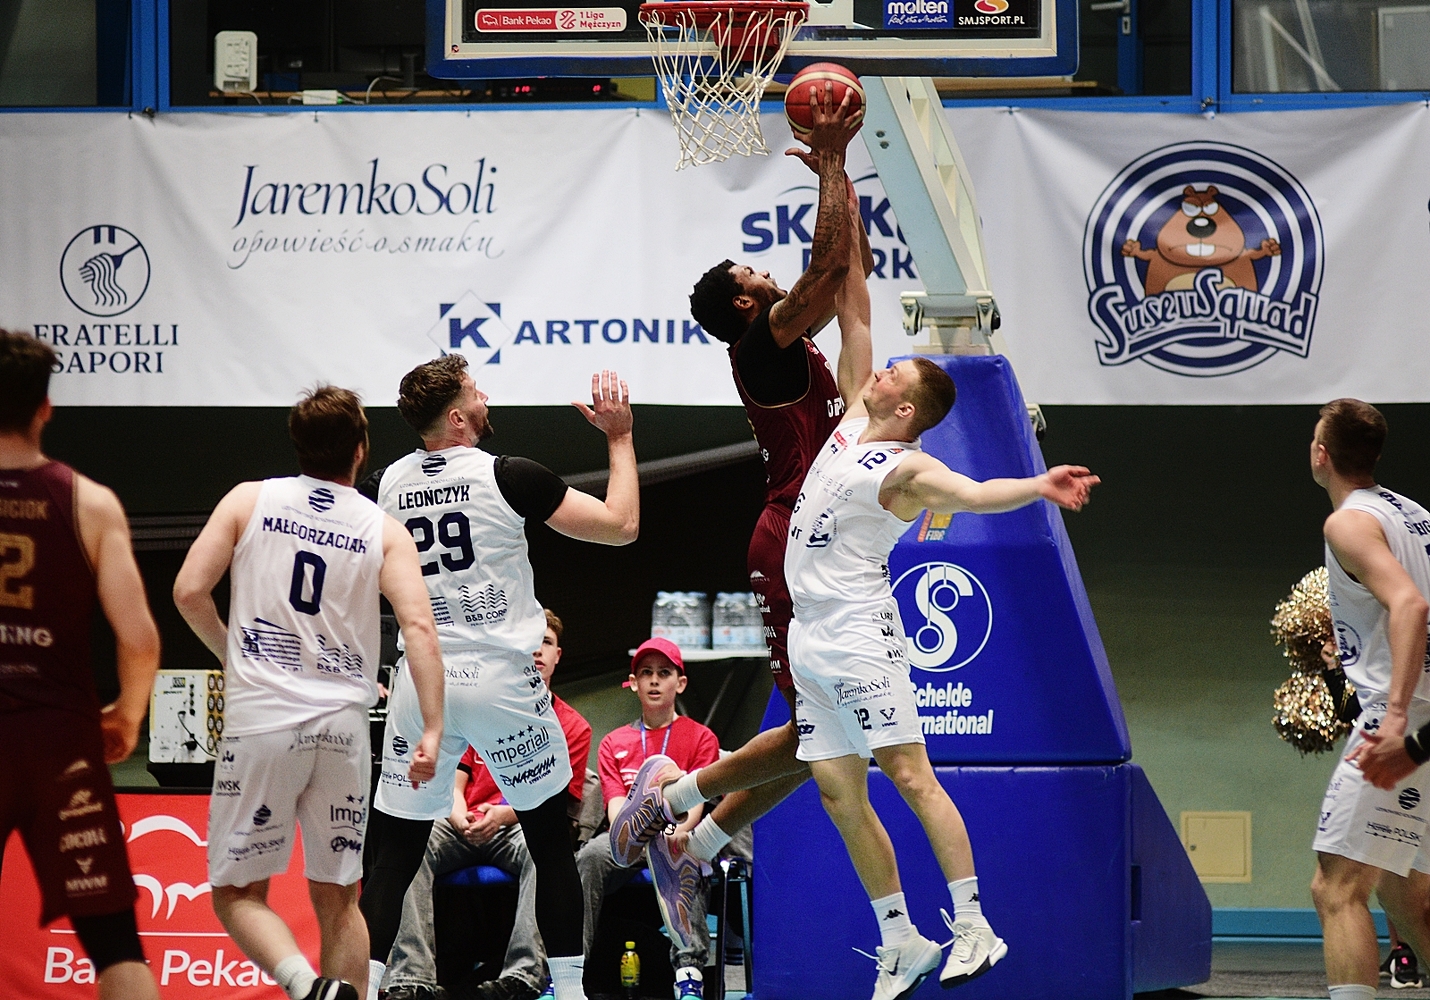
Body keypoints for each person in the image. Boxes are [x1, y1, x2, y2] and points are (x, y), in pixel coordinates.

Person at [611, 79, 873, 920]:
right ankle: (670, 803)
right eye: (756, 271)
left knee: (827, 737)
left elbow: (845, 276)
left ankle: (690, 840)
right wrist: (828, 166)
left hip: (820, 538)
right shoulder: (761, 345)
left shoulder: (787, 346)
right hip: (792, 539)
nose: (770, 273)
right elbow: (826, 269)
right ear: (744, 302)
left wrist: (840, 178)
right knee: (820, 734)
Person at [781, 355, 1097, 999]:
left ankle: (976, 926)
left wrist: (1040, 484)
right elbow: (855, 326)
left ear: (906, 409)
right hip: (808, 635)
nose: (881, 371)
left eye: (894, 373)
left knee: (908, 775)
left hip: (859, 633)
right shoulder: (849, 425)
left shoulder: (909, 468)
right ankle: (900, 940)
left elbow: (974, 494)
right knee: (838, 794)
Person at [362, 360, 638, 1000]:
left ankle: (366, 988)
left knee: (394, 856)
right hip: (500, 681)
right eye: (475, 393)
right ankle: (568, 992)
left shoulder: (383, 485)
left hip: (419, 680)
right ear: (458, 417)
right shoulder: (508, 475)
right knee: (550, 846)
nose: (486, 398)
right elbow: (622, 527)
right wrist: (620, 438)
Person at [175, 385, 447, 1000]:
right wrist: (432, 728)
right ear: (361, 449)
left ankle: (306, 985)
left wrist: (232, 656)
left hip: (264, 721)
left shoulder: (249, 499)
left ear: (297, 443)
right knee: (340, 900)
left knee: (237, 894)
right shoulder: (382, 529)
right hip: (344, 731)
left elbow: (188, 591)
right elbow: (419, 629)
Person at [0, 330, 163, 1000]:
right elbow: (140, 638)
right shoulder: (88, 501)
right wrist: (127, 714)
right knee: (115, 944)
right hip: (59, 742)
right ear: (46, 407)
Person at [382, 610, 593, 1000]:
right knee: (410, 848)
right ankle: (411, 978)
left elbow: (560, 802)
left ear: (558, 656)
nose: (537, 651)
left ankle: (524, 976)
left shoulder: (574, 725)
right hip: (463, 820)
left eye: (546, 643)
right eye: (532, 642)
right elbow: (455, 779)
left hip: (517, 827)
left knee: (546, 851)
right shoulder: (481, 699)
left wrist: (503, 815)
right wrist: (458, 813)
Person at [1295, 399, 1430, 1000]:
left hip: (1400, 717)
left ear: (1321, 454)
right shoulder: (1415, 514)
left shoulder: (1347, 522)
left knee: (1337, 887)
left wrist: (1397, 720)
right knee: (1406, 896)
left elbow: (1411, 605)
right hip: (1427, 723)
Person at [578, 638, 720, 999]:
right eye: (646, 673)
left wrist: (680, 831)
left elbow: (697, 803)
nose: (654, 680)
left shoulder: (701, 737)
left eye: (664, 673)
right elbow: (615, 806)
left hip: (677, 833)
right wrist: (631, 835)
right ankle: (571, 968)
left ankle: (689, 971)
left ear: (680, 683)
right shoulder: (613, 742)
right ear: (633, 682)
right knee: (589, 857)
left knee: (687, 852)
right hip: (629, 839)